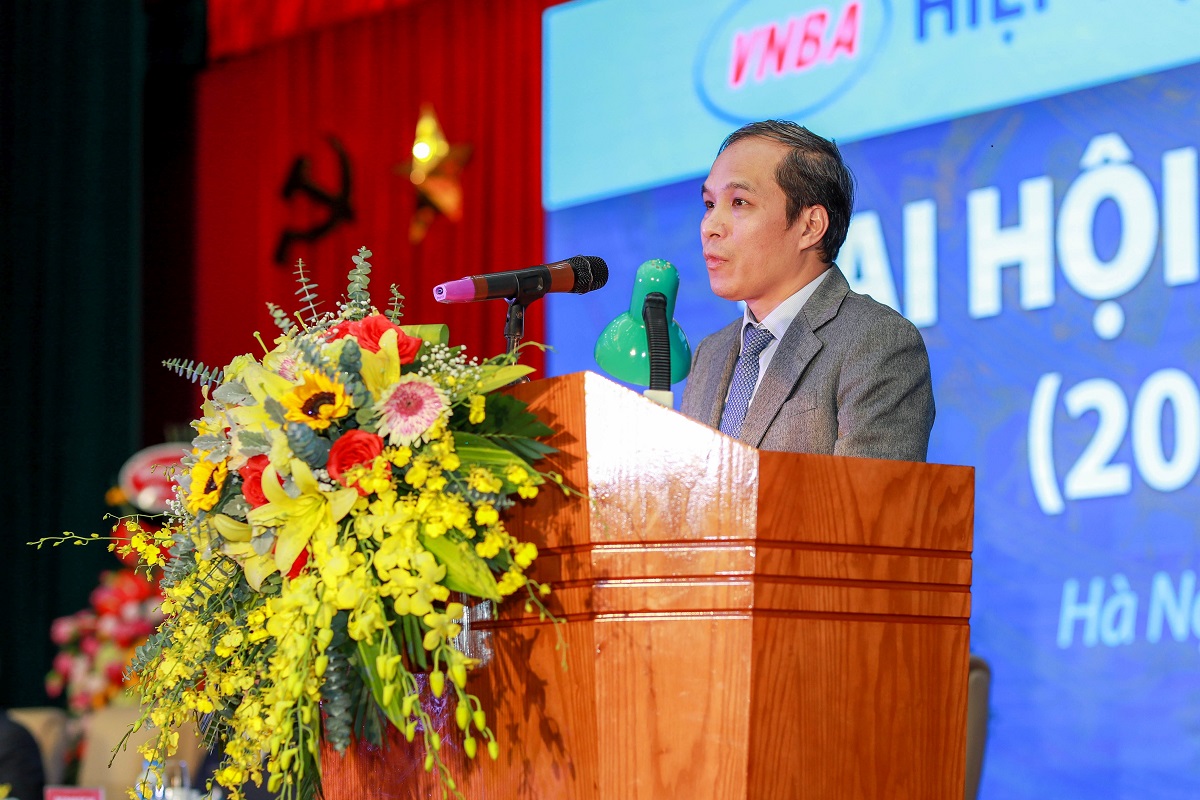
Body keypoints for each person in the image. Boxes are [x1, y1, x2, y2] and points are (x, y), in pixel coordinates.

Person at [680, 120, 934, 461]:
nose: (710, 226)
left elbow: (868, 494)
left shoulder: (876, 341)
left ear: (810, 226)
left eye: (739, 202)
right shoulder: (710, 353)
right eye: (710, 204)